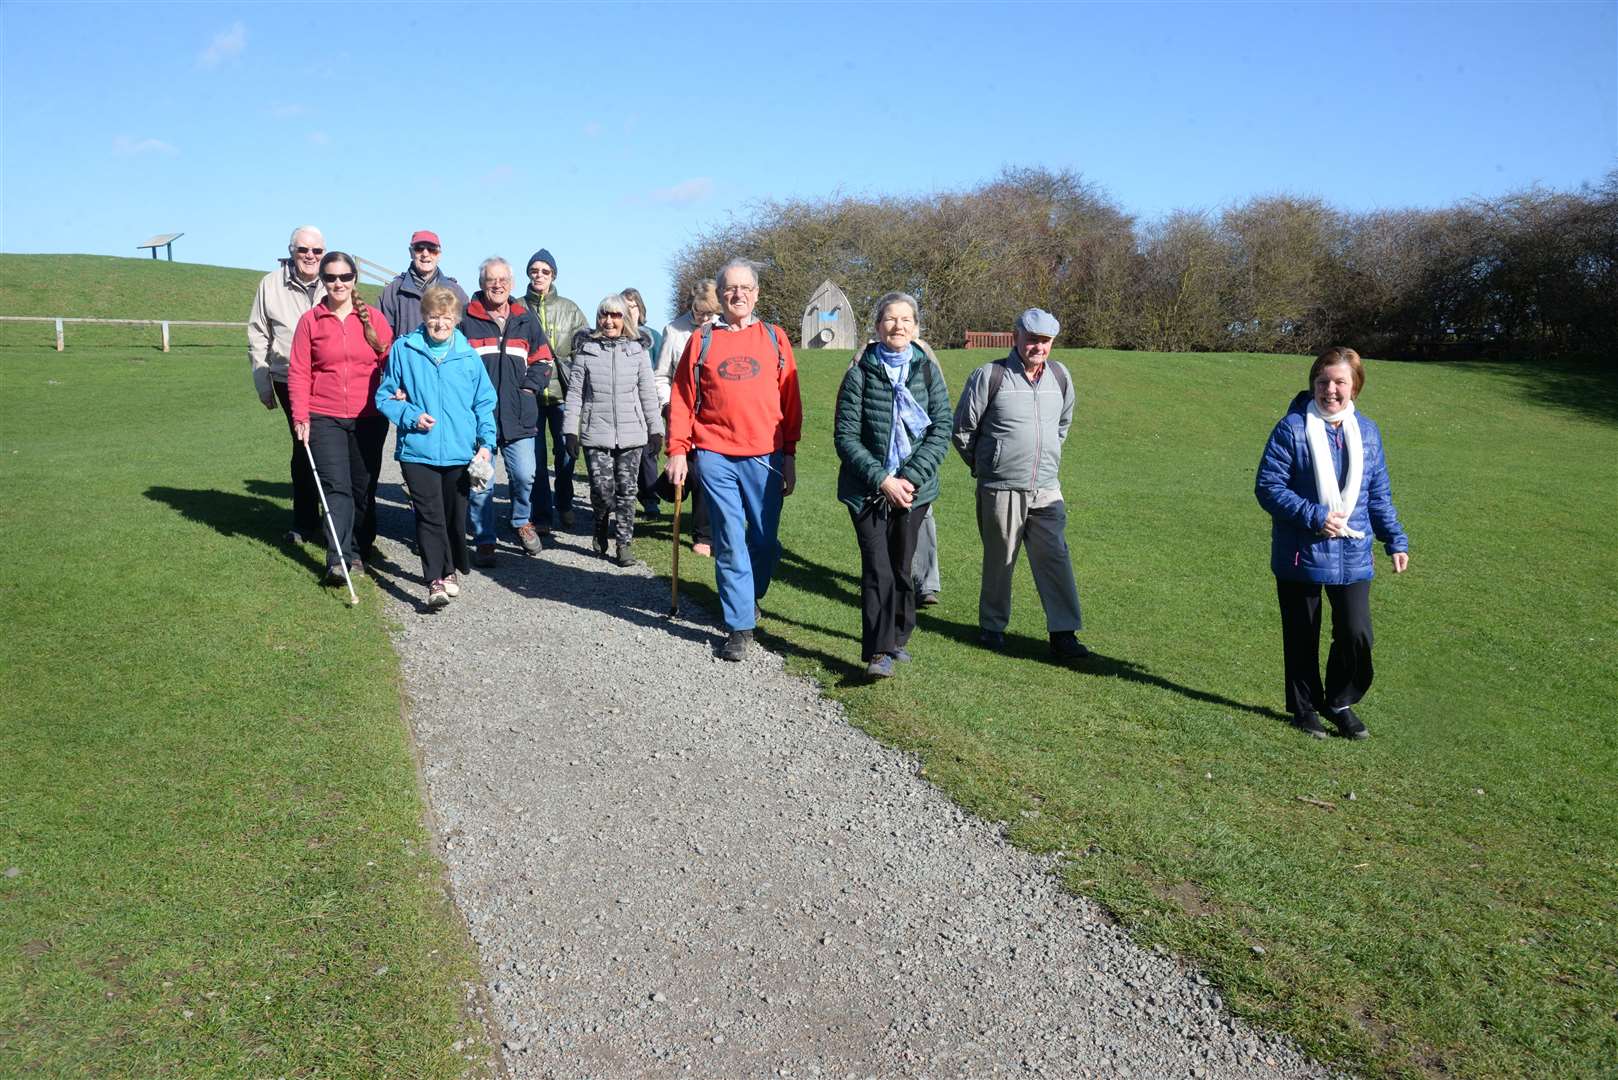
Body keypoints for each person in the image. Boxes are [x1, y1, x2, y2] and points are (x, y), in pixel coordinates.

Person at [1255, 346, 1410, 739]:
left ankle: (1339, 701)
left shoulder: (1368, 432)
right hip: (1300, 550)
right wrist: (1314, 515)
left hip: (1353, 550)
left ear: (1355, 386)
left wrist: (1394, 538)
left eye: (1340, 381)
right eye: (1322, 382)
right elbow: (1268, 487)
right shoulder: (1291, 428)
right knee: (1302, 634)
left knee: (1357, 633)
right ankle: (1304, 708)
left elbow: (1378, 494)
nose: (1330, 390)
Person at [666, 259, 803, 661]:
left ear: (757, 294)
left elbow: (791, 402)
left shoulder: (776, 339)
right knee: (728, 537)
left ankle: (750, 595)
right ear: (720, 295)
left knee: (763, 541)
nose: (738, 294)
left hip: (766, 455)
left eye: (745, 288)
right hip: (714, 453)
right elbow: (682, 398)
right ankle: (740, 626)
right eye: (730, 289)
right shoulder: (703, 340)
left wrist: (790, 455)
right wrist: (677, 449)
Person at [951, 308, 1088, 660]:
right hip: (1001, 487)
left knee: (1055, 557)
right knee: (1001, 559)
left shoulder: (1060, 376)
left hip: (1046, 487)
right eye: (1032, 339)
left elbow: (1063, 424)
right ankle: (992, 628)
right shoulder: (990, 375)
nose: (1038, 347)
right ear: (1017, 336)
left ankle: (1063, 633)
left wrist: (1044, 458)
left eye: (1045, 341)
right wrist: (988, 466)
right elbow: (963, 430)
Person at [833, 292, 953, 678]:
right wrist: (884, 480)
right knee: (877, 568)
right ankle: (878, 652)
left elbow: (941, 429)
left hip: (914, 490)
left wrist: (909, 479)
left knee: (902, 568)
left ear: (916, 327)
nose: (898, 326)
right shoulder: (860, 371)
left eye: (906, 320)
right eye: (890, 319)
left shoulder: (927, 370)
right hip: (866, 489)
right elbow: (846, 436)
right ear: (877, 326)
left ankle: (899, 637)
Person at [375, 286, 496, 608]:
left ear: (456, 320)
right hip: (418, 450)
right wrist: (411, 416)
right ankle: (435, 580)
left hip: (460, 451)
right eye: (433, 317)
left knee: (454, 517)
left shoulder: (469, 356)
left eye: (446, 318)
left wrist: (486, 444)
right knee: (429, 516)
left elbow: (484, 403)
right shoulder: (405, 349)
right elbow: (384, 396)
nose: (439, 324)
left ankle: (451, 567)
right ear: (423, 317)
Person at [288, 251, 394, 582]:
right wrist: (300, 416)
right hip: (324, 415)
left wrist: (398, 392)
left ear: (354, 280)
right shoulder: (310, 321)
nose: (338, 283)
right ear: (322, 280)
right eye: (331, 277)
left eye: (344, 277)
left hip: (369, 417)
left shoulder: (374, 320)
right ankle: (338, 558)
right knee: (336, 487)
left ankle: (361, 548)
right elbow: (299, 371)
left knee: (363, 487)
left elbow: (390, 363)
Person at [463, 257, 555, 567]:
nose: (497, 285)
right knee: (481, 482)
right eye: (491, 280)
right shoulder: (467, 319)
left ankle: (520, 520)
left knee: (525, 474)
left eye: (503, 279)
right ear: (482, 284)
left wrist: (528, 389)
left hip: (520, 414)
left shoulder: (526, 319)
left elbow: (544, 360)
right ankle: (484, 538)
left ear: (512, 284)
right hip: (481, 418)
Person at [563, 295, 663, 566]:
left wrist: (656, 430)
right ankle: (599, 520)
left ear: (625, 320)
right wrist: (570, 431)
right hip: (597, 434)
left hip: (632, 435)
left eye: (616, 316)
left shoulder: (638, 352)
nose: (609, 321)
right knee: (602, 490)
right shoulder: (586, 351)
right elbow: (574, 395)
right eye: (604, 315)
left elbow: (648, 394)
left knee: (627, 492)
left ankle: (623, 545)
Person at [247, 225, 326, 545]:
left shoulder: (334, 280)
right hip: (287, 376)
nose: (310, 256)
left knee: (329, 448)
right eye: (303, 250)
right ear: (291, 251)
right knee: (304, 446)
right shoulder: (270, 284)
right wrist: (262, 382)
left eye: (316, 251)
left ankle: (338, 522)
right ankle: (306, 522)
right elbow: (257, 334)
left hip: (327, 378)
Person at [656, 280, 722, 556]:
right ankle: (664, 487)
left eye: (709, 313)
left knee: (706, 472)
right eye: (699, 312)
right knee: (692, 470)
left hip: (713, 416)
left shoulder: (724, 330)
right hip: (682, 411)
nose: (704, 318)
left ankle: (704, 536)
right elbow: (661, 375)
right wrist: (668, 405)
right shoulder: (674, 330)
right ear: (690, 306)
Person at [524, 249, 588, 531]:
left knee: (565, 453)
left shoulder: (570, 308)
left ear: (553, 275)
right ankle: (541, 516)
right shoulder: (517, 307)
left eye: (545, 271)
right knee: (535, 458)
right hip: (530, 393)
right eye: (534, 270)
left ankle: (564, 503)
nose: (539, 275)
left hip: (563, 393)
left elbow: (585, 348)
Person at [377, 230, 468, 342]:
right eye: (419, 248)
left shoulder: (456, 292)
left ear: (439, 255)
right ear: (411, 252)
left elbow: (466, 335)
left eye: (431, 249)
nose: (425, 254)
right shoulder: (392, 293)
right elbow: (381, 339)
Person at [620, 286, 663, 515]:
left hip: (647, 401)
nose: (630, 311)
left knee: (648, 452)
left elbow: (661, 368)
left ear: (640, 308)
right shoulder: (615, 335)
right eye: (625, 307)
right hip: (621, 403)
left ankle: (650, 498)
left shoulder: (653, 337)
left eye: (634, 306)